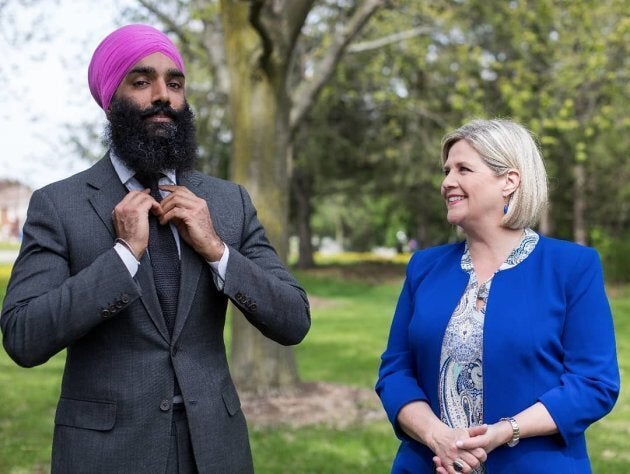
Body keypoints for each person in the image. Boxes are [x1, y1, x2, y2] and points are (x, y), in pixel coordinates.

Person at [1, 24, 310, 473]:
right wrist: (123, 255)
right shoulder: (59, 205)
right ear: (111, 99)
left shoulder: (227, 203)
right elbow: (24, 336)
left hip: (214, 452)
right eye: (142, 81)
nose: (163, 95)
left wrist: (217, 249)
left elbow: (294, 319)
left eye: (175, 83)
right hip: (108, 456)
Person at [375, 119, 619, 473]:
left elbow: (593, 383)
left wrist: (504, 431)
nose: (447, 182)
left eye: (463, 169)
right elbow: (395, 371)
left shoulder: (572, 267)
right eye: (446, 171)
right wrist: (437, 437)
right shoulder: (424, 268)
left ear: (509, 180)